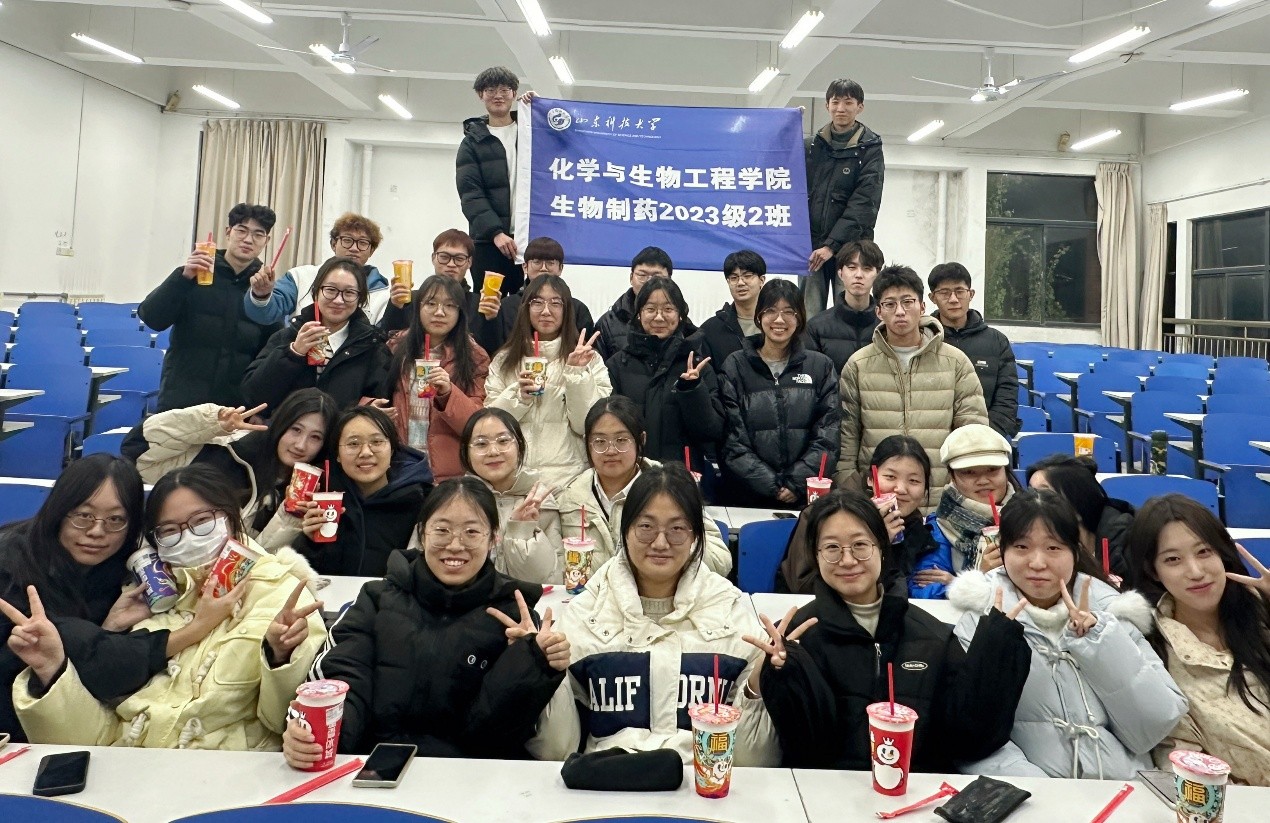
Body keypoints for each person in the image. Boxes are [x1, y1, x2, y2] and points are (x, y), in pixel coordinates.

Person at [8, 464, 326, 749]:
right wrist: (54, 671)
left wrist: (281, 656)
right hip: (129, 772)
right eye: (170, 530)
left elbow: (280, 723)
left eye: (202, 521)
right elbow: (98, 734)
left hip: (223, 773)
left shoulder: (283, 595)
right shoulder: (143, 596)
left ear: (232, 517)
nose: (189, 537)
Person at [283, 477, 567, 764]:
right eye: (442, 530)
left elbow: (495, 738)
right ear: (422, 534)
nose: (455, 545)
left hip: (471, 775)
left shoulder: (514, 618)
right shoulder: (377, 599)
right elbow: (344, 676)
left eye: (471, 532)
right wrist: (316, 737)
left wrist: (529, 661)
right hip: (374, 765)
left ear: (494, 537)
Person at [749, 490, 1029, 771]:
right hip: (824, 792)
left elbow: (968, 737)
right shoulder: (795, 637)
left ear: (882, 548)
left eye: (860, 545)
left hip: (916, 790)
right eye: (832, 548)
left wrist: (996, 649)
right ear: (815, 555)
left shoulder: (932, 635)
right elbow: (800, 747)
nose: (847, 560)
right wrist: (777, 674)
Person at [530, 463, 778, 765]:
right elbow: (555, 752)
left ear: (695, 536)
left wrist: (758, 687)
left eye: (677, 529)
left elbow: (754, 762)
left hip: (701, 783)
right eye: (646, 527)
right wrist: (539, 671)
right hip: (605, 782)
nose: (661, 543)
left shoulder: (733, 616)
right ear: (625, 530)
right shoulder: (584, 614)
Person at [948, 489, 1187, 779]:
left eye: (1053, 548)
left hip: (1125, 788)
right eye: (1021, 547)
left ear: (1075, 551)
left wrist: (1100, 643)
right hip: (1036, 796)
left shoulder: (1113, 612)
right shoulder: (979, 619)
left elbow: (1154, 724)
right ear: (1003, 551)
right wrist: (1043, 793)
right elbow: (972, 739)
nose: (1038, 563)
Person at [0, 456, 227, 742]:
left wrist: (110, 627)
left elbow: (87, 668)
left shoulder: (119, 570)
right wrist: (196, 629)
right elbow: (81, 650)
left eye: (116, 520)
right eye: (83, 515)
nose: (97, 531)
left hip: (62, 725)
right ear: (58, 512)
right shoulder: (10, 566)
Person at [1125, 494, 1270, 786]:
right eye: (1173, 560)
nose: (1195, 572)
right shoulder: (1152, 653)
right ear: (1153, 571)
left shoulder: (1259, 616)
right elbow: (1182, 766)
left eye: (1204, 551)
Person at [834, 265, 987, 492]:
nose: (900, 311)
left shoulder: (955, 362)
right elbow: (847, 436)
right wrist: (850, 487)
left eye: (908, 302)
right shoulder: (858, 365)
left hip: (939, 493)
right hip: (877, 494)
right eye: (890, 304)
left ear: (922, 307)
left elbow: (972, 432)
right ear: (878, 311)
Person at [123, 388, 340, 545]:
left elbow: (259, 562)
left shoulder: (319, 494)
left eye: (315, 437)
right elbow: (139, 452)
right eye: (295, 430)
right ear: (280, 425)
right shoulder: (227, 452)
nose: (301, 445)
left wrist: (291, 517)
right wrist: (211, 422)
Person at [557, 396, 732, 578]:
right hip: (591, 595)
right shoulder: (570, 497)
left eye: (621, 440)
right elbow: (556, 572)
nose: (611, 450)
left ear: (641, 439)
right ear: (587, 443)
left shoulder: (671, 487)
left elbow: (720, 561)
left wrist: (676, 538)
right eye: (600, 441)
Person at [139, 202, 283, 411]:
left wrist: (260, 408)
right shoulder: (194, 274)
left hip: (234, 408)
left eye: (258, 234)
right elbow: (152, 318)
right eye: (241, 230)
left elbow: (270, 355)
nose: (248, 239)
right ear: (228, 232)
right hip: (181, 402)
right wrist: (182, 278)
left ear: (266, 241)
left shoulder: (264, 288)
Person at [719, 279, 840, 509]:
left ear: (800, 317)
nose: (779, 320)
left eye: (788, 312)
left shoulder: (821, 367)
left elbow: (828, 434)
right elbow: (732, 438)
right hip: (746, 498)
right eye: (771, 311)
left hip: (805, 498)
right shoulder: (735, 365)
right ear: (759, 316)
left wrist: (795, 483)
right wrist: (771, 485)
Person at [485, 274, 612, 489]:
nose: (546, 311)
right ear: (525, 309)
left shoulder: (589, 360)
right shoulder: (504, 361)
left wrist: (576, 375)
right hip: (514, 480)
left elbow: (588, 425)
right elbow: (489, 424)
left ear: (567, 310)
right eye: (537, 302)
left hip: (569, 482)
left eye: (555, 303)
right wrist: (518, 397)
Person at [285, 407, 433, 578]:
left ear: (392, 449)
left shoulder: (421, 501)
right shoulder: (325, 500)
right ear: (337, 455)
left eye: (376, 442)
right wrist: (310, 541)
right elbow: (300, 577)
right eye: (353, 444)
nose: (366, 453)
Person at [777, 435, 928, 596]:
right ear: (870, 479)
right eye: (890, 477)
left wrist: (945, 581)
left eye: (914, 481)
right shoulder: (822, 515)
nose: (901, 489)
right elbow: (801, 584)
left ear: (926, 489)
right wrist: (877, 540)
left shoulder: (914, 522)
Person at [606, 277, 724, 478]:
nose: (659, 317)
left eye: (668, 309)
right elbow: (607, 425)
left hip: (682, 477)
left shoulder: (697, 365)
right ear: (639, 314)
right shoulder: (617, 365)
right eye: (650, 309)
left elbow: (712, 432)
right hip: (631, 475)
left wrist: (693, 390)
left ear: (680, 315)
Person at [241, 257, 393, 413]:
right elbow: (253, 396)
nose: (338, 300)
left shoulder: (372, 345)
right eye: (330, 290)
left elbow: (381, 400)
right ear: (316, 293)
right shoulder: (289, 336)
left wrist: (370, 410)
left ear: (360, 299)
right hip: (290, 428)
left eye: (349, 292)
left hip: (343, 428)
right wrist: (293, 353)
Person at [384, 274, 491, 482]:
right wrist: (373, 406)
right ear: (418, 307)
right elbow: (372, 393)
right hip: (400, 466)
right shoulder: (395, 347)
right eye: (431, 303)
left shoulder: (475, 356)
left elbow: (477, 425)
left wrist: (449, 393)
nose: (439, 312)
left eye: (450, 305)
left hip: (449, 472)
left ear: (460, 312)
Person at [804, 78, 884, 318]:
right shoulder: (812, 146)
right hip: (812, 248)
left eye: (848, 102)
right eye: (835, 102)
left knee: (851, 311)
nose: (841, 108)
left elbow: (864, 204)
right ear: (827, 105)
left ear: (860, 107)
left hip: (851, 249)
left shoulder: (870, 149)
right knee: (809, 314)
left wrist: (831, 246)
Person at [915, 424, 1020, 599]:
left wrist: (954, 582)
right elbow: (923, 590)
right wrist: (977, 577)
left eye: (992, 469)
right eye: (969, 472)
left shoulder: (1032, 516)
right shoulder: (937, 528)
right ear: (952, 476)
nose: (983, 480)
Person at [460, 409, 561, 584]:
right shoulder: (453, 501)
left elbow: (550, 580)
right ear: (466, 452)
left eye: (503, 441)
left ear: (519, 446)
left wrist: (521, 532)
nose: (493, 451)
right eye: (481, 444)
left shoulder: (540, 501)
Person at [243, 212, 392, 326]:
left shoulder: (383, 295)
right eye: (347, 240)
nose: (354, 248)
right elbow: (265, 315)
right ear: (333, 244)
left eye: (363, 243)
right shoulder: (300, 277)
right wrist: (261, 295)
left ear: (371, 251)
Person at [927, 263, 1018, 438]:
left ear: (971, 294)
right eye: (944, 293)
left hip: (984, 438)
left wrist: (985, 435)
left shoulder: (997, 341)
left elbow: (1007, 398)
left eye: (960, 291)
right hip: (934, 438)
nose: (953, 299)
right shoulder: (923, 338)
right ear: (932, 298)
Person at [458, 66, 524, 297]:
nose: (498, 95)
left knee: (525, 304)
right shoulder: (472, 142)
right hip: (488, 241)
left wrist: (540, 109)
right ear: (481, 95)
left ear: (514, 94)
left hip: (526, 238)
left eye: (505, 90)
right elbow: (470, 194)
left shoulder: (531, 131)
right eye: (491, 90)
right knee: (487, 304)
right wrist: (495, 232)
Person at [1028, 455, 1135, 580]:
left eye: (1045, 494)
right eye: (1029, 493)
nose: (1034, 501)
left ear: (1079, 503)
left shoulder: (1124, 544)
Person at [483, 236, 595, 355]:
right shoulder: (506, 306)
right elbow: (493, 348)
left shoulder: (577, 308)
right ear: (525, 267)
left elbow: (587, 351)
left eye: (550, 263)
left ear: (560, 268)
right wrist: (489, 320)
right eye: (537, 262)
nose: (543, 268)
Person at [379, 229, 501, 338]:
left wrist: (491, 320)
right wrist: (395, 307)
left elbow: (493, 350)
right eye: (444, 257)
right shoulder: (411, 300)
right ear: (433, 258)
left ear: (469, 262)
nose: (451, 264)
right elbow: (386, 342)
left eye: (459, 259)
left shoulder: (479, 305)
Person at [806, 240, 884, 373]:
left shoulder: (886, 325)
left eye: (867, 268)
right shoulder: (816, 328)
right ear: (840, 273)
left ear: (877, 275)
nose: (859, 275)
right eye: (852, 267)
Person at [594, 246, 673, 360]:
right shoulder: (608, 323)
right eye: (642, 275)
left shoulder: (679, 321)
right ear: (631, 278)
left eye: (657, 277)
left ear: (669, 280)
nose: (649, 282)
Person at [699, 250, 766, 366]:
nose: (740, 283)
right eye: (734, 278)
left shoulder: (777, 324)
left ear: (761, 280)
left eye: (747, 276)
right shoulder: (710, 330)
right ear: (728, 282)